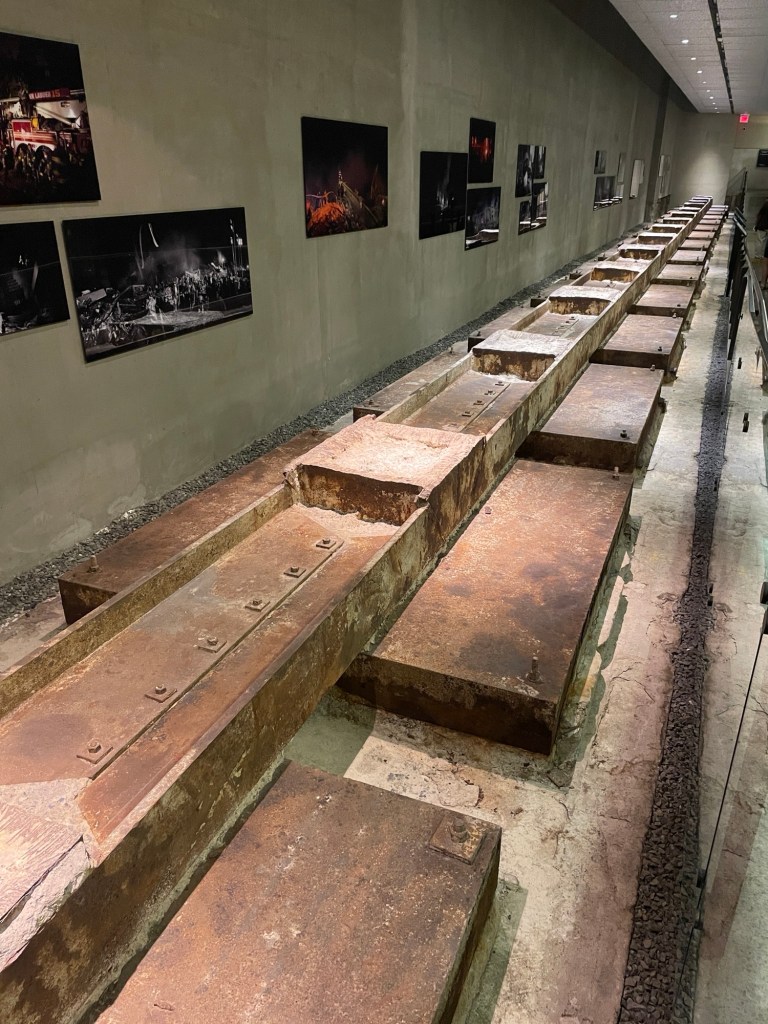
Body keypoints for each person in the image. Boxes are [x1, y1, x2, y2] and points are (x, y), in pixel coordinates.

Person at [755, 198, 768, 288]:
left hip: (763, 226)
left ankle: (763, 282)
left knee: (765, 262)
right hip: (764, 226)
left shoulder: (765, 205)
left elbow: (759, 216)